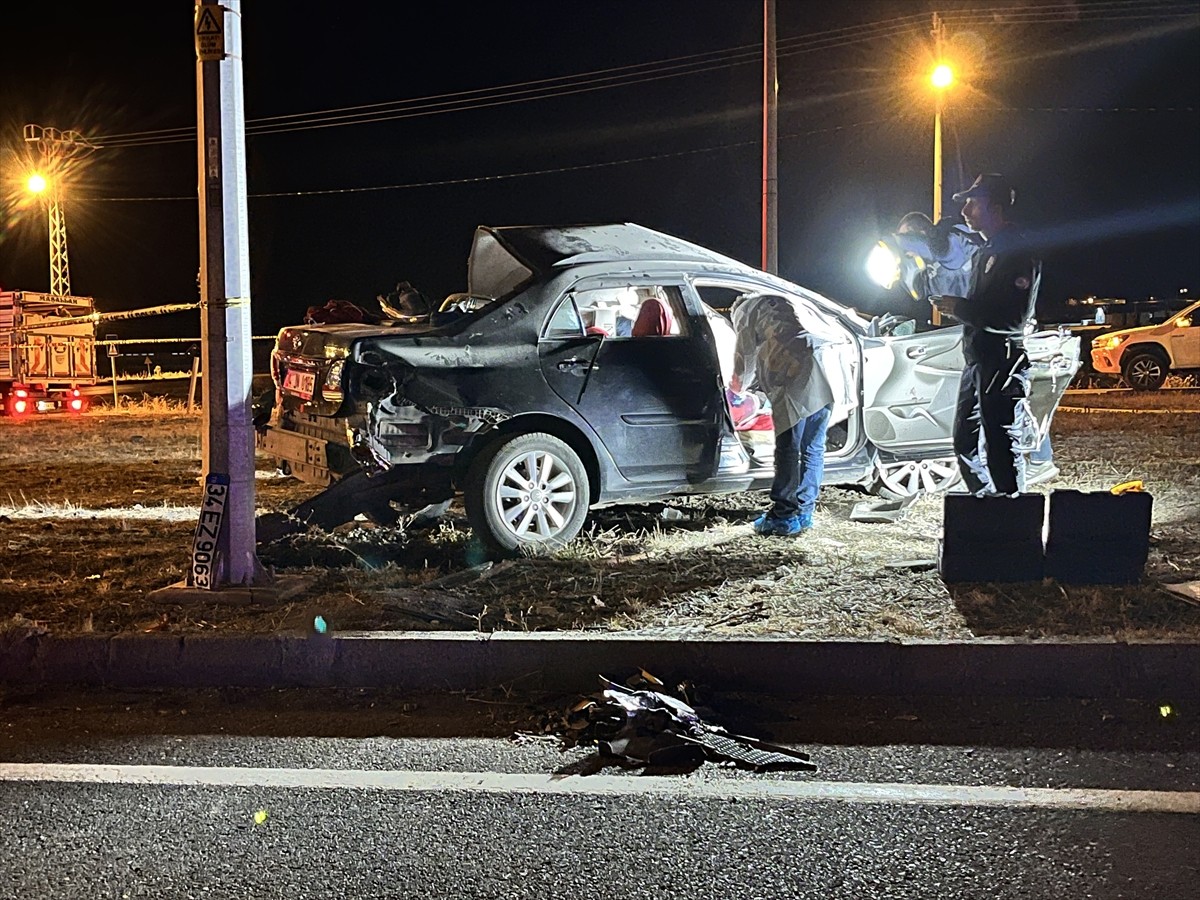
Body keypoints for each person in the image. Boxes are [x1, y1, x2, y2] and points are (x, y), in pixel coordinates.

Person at [932, 173, 1042, 497]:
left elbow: (1014, 319)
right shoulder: (985, 251)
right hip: (979, 359)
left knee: (999, 441)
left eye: (971, 203)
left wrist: (960, 308)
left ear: (994, 208)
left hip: (1003, 359)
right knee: (964, 441)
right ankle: (984, 506)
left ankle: (1012, 516)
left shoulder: (1018, 251)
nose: (965, 211)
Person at [731, 292, 855, 536]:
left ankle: (783, 516)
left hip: (794, 370)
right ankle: (804, 512)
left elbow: (745, 356)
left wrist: (737, 388)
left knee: (789, 448)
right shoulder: (787, 304)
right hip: (826, 364)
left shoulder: (746, 310)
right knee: (813, 447)